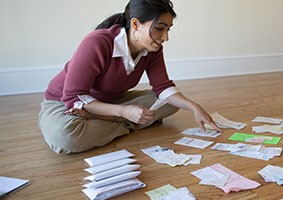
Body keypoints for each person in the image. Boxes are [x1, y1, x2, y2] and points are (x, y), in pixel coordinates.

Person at [38, 0, 221, 154]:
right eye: (159, 28)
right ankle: (125, 122)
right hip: (63, 103)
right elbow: (73, 97)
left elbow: (163, 87)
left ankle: (104, 118)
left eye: (168, 30)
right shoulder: (98, 42)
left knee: (170, 102)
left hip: (109, 100)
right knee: (65, 137)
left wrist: (194, 107)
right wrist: (124, 112)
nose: (165, 37)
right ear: (135, 24)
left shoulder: (152, 49)